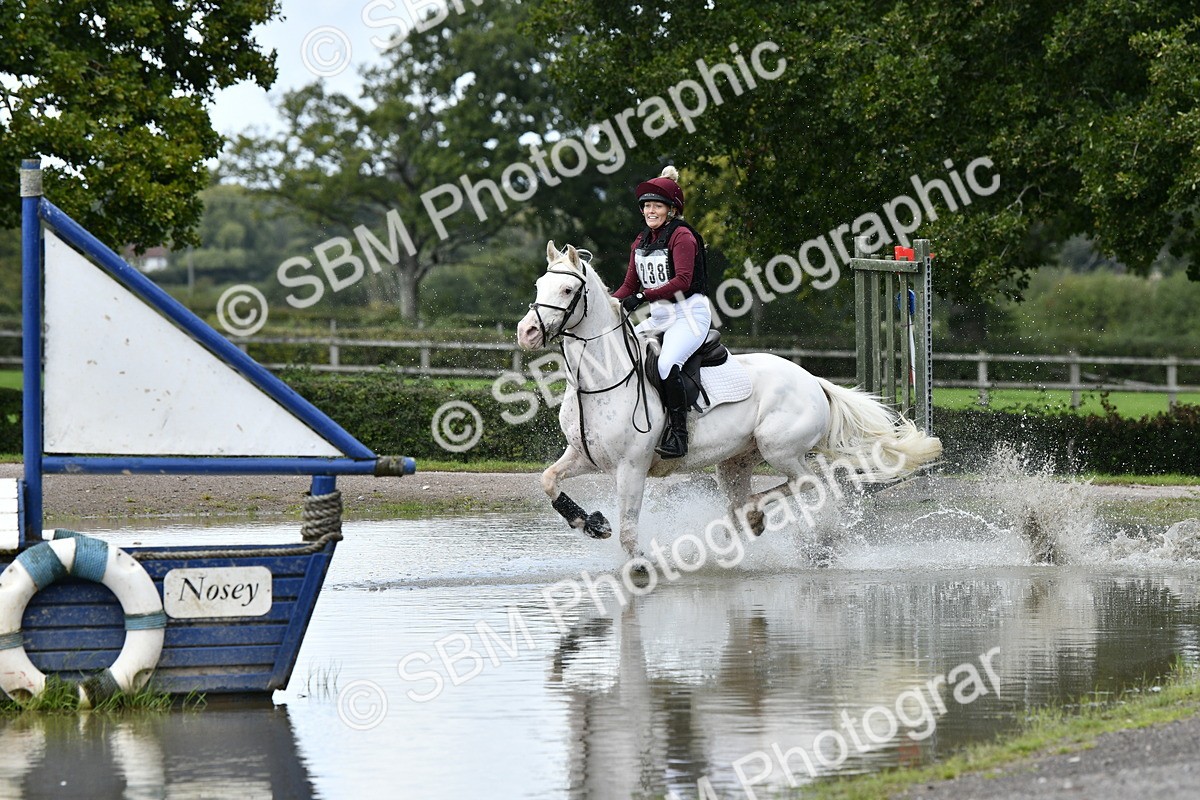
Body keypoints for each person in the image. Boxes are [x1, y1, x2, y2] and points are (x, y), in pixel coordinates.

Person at [612, 165, 711, 459]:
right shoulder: (641, 241)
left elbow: (682, 281)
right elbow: (629, 285)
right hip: (660, 316)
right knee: (621, 352)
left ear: (671, 210)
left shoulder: (683, 236)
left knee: (667, 364)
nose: (650, 211)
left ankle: (679, 436)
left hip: (689, 314)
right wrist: (610, 305)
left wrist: (641, 296)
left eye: (657, 206)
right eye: (646, 206)